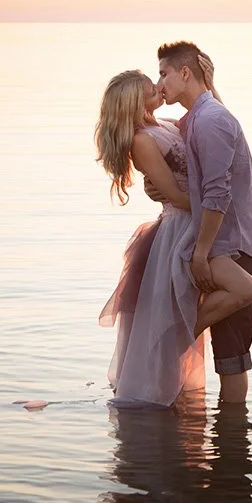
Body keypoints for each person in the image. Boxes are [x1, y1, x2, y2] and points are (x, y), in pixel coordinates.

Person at [157, 40, 252, 404]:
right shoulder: (201, 118)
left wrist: (201, 253)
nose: (160, 84)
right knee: (229, 353)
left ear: (184, 73)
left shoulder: (212, 121)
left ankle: (232, 446)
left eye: (164, 74)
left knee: (232, 355)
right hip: (220, 241)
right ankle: (229, 437)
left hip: (231, 244)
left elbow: (218, 194)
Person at [95, 70, 207, 407]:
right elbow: (173, 194)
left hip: (196, 220)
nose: (159, 89)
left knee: (182, 310)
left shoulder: (168, 124)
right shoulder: (142, 141)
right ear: (134, 101)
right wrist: (217, 206)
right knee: (171, 315)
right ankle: (152, 396)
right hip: (180, 228)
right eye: (150, 89)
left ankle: (174, 394)